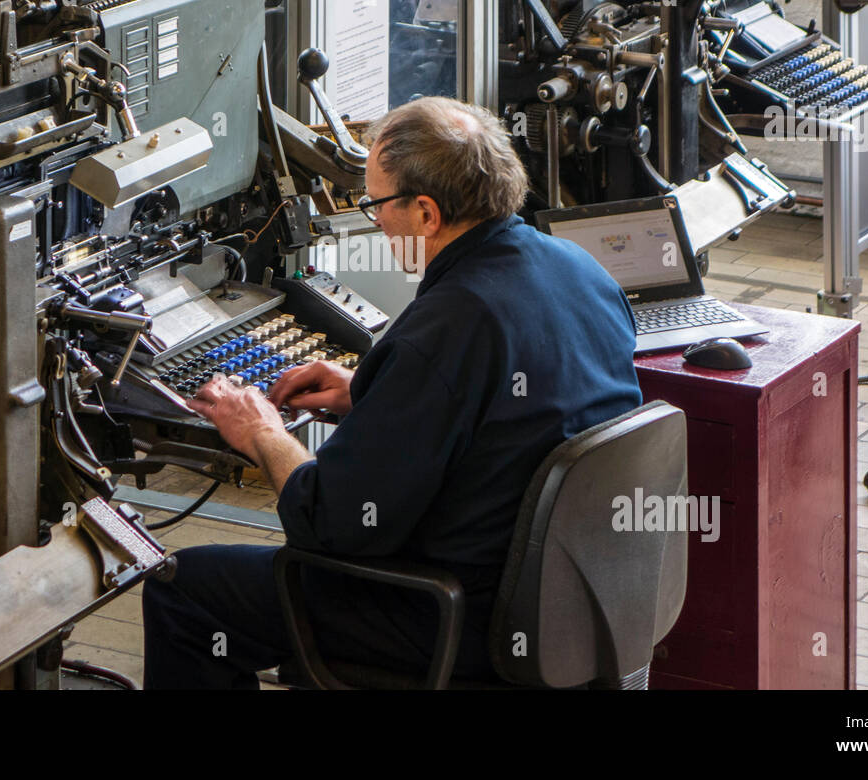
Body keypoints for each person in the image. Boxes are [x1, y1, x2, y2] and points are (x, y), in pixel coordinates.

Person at [142, 96, 642, 688]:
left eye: (376, 203)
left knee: (182, 588)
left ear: (426, 211)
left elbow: (331, 524)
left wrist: (264, 434)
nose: (373, 220)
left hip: (451, 615)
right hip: (573, 599)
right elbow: (521, 411)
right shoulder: (579, 268)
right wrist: (376, 392)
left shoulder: (448, 325)